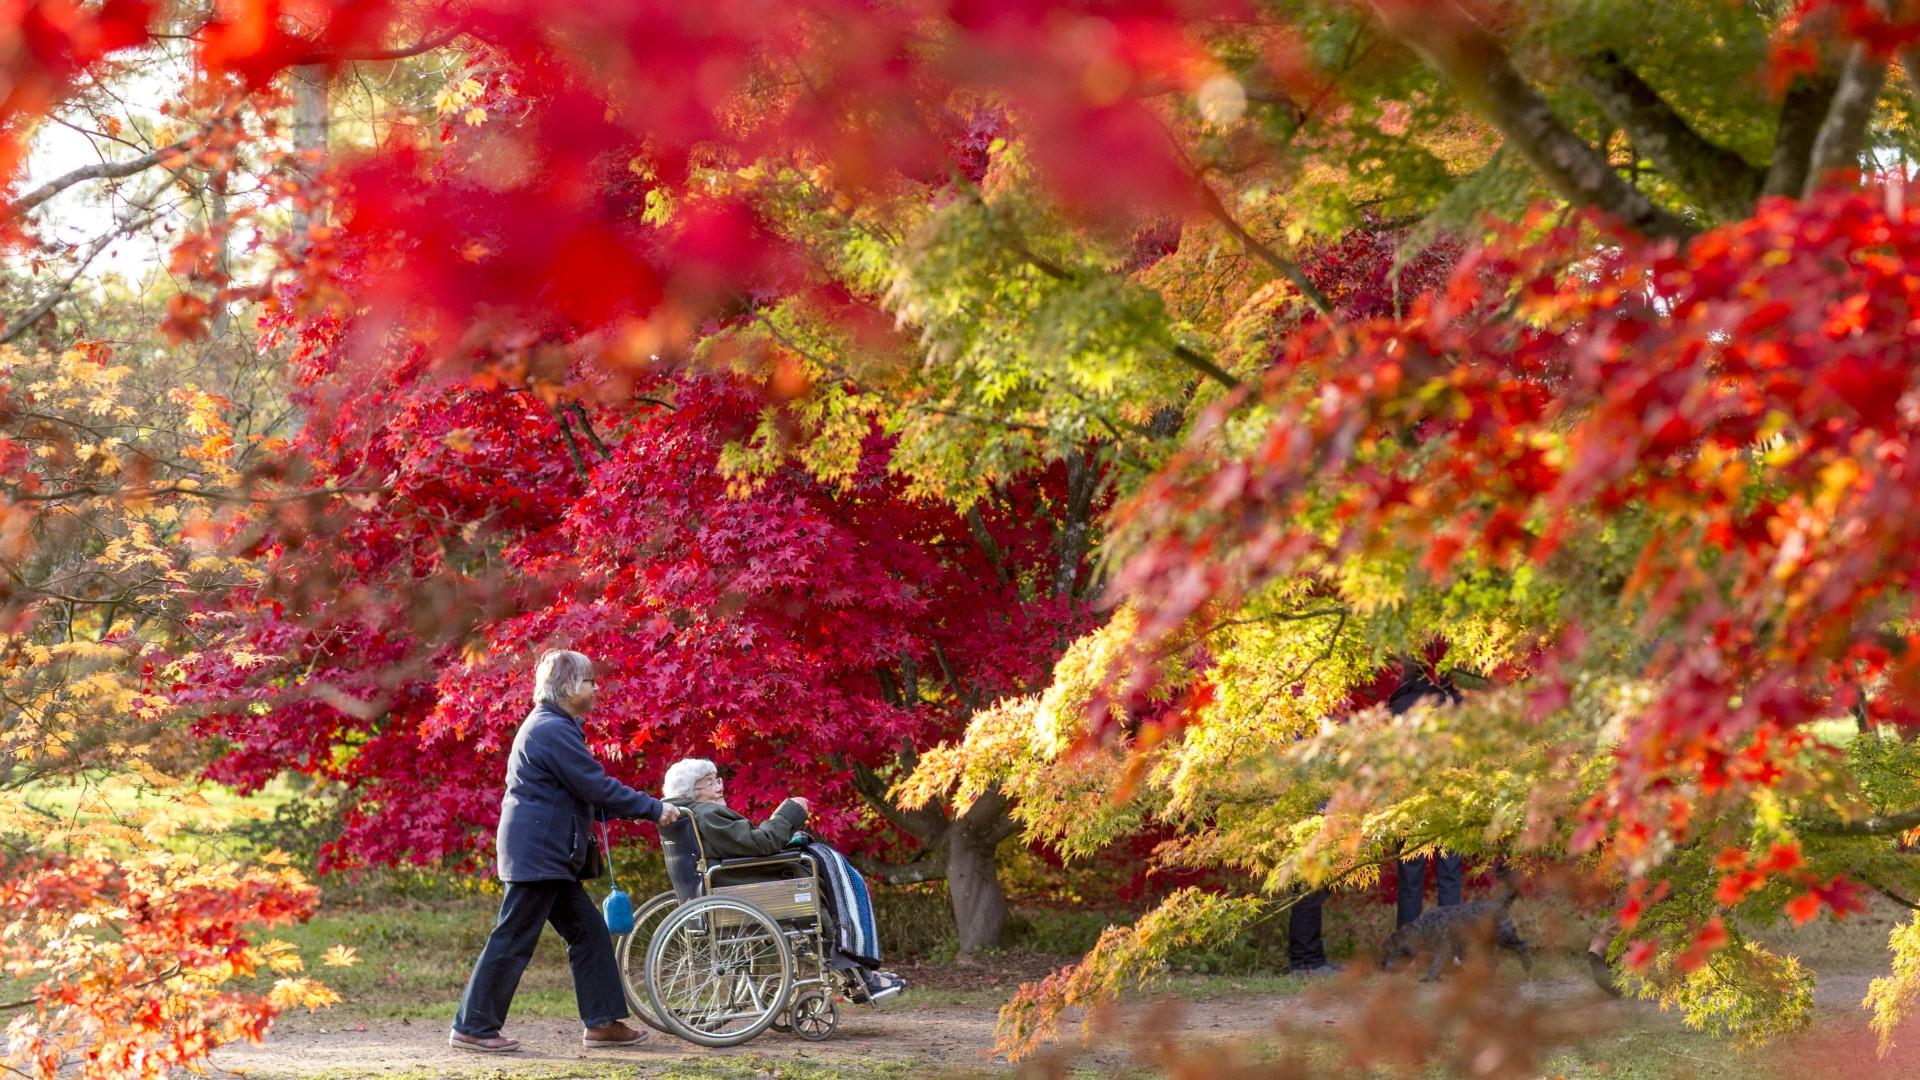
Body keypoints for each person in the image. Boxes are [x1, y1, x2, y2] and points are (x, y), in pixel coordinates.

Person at [449, 650, 685, 1054]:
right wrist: (652, 808)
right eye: (590, 681)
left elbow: (580, 794)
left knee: (588, 933)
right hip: (539, 855)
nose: (596, 689)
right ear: (568, 687)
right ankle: (473, 1027)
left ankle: (603, 1024)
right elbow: (595, 786)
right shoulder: (550, 729)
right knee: (513, 938)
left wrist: (635, 810)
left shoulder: (555, 727)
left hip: (546, 854)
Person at [660, 757, 906, 1003]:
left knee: (814, 879)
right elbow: (762, 843)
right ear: (694, 791)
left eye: (717, 779)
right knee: (815, 887)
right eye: (710, 782)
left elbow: (748, 843)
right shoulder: (708, 814)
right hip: (742, 888)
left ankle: (855, 975)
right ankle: (859, 977)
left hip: (725, 887)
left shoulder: (687, 816)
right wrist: (790, 812)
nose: (719, 786)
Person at [1388, 673, 1465, 930]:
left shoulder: (1399, 704)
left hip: (1409, 799)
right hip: (1448, 796)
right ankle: (1453, 950)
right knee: (1450, 874)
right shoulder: (1454, 703)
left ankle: (1405, 950)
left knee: (1410, 877)